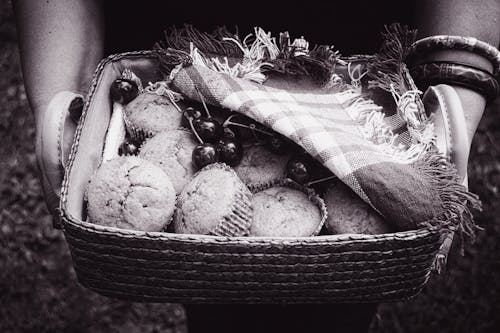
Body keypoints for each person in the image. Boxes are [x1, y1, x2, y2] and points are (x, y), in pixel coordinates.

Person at [12, 1, 500, 332]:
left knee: (337, 300)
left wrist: (456, 86)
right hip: (184, 62)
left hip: (351, 66)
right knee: (209, 285)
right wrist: (61, 97)